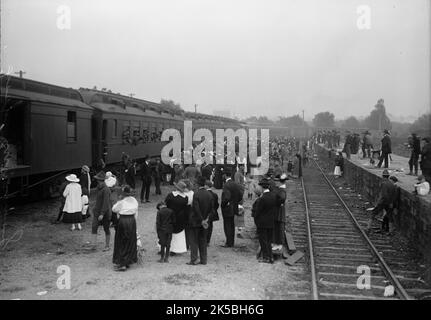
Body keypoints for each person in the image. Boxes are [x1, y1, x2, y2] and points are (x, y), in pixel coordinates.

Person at [112, 185, 138, 271]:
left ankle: (122, 263)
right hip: (132, 220)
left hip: (123, 220)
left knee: (122, 241)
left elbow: (114, 209)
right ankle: (128, 260)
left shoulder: (122, 202)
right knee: (130, 240)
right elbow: (136, 212)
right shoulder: (134, 201)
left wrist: (119, 201)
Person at [188, 176, 213, 265]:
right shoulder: (209, 194)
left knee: (194, 241)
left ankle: (194, 259)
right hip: (205, 221)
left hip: (196, 221)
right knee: (203, 240)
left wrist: (201, 219)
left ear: (198, 184)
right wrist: (206, 219)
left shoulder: (196, 194)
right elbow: (212, 209)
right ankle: (204, 260)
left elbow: (196, 208)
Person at [254, 178, 277, 263]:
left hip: (262, 223)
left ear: (262, 187)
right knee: (269, 241)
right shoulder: (273, 196)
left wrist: (256, 221)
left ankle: (266, 257)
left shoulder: (262, 199)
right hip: (271, 222)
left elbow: (258, 212)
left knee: (263, 241)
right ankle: (271, 257)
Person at [88, 171, 112, 251]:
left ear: (102, 181)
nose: (98, 181)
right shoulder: (99, 188)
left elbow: (106, 203)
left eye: (98, 180)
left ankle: (107, 246)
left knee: (106, 228)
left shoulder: (106, 190)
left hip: (104, 213)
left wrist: (102, 214)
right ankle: (93, 245)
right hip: (97, 212)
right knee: (94, 227)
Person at [165, 181, 189, 255]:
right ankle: (177, 248)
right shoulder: (185, 198)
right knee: (178, 234)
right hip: (180, 217)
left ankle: (166, 247)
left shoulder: (170, 195)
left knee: (168, 232)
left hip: (170, 216)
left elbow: (166, 204)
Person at [221, 169, 243, 247]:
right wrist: (236, 201)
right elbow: (240, 195)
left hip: (227, 208)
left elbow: (226, 197)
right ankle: (231, 242)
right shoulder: (235, 184)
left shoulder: (226, 185)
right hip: (234, 207)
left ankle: (228, 242)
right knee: (232, 225)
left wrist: (223, 204)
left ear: (225, 175)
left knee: (227, 225)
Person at [273, 174, 287, 252]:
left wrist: (277, 203)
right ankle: (277, 243)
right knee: (278, 227)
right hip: (279, 210)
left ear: (279, 181)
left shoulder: (281, 190)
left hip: (279, 211)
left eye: (277, 181)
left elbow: (282, 198)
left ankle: (279, 244)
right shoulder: (281, 189)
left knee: (279, 227)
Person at [205, 180, 219, 245]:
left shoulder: (206, 194)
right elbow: (217, 204)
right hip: (212, 212)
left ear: (206, 186)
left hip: (206, 212)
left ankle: (205, 239)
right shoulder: (214, 194)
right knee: (210, 226)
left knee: (205, 226)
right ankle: (208, 240)